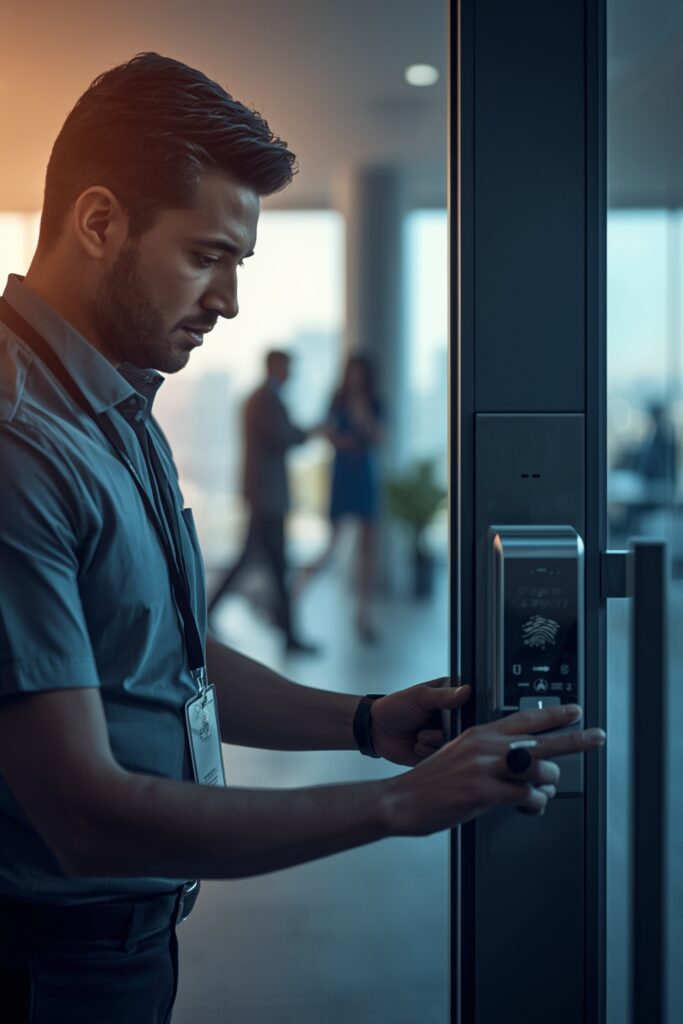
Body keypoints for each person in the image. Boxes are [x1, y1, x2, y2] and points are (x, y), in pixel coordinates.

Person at [0, 53, 605, 1022]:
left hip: (125, 951)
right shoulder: (19, 442)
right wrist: (398, 806)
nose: (229, 302)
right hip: (46, 975)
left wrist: (361, 722)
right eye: (206, 255)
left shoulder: (115, 405)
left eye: (239, 264)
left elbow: (167, 657)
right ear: (100, 221)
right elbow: (84, 819)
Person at [207, 348, 318, 654]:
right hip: (266, 496)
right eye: (288, 367)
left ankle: (208, 614)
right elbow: (283, 438)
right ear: (275, 367)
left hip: (263, 495)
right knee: (277, 566)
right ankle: (290, 636)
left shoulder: (261, 399)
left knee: (250, 561)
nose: (291, 373)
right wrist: (311, 431)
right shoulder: (264, 400)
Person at [298, 354, 384, 642]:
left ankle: (364, 614)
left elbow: (379, 437)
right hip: (343, 476)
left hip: (365, 475)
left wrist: (363, 416)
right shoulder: (336, 399)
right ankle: (294, 593)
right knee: (332, 546)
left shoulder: (374, 401)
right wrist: (343, 439)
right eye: (352, 372)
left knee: (368, 549)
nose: (355, 378)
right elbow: (328, 432)